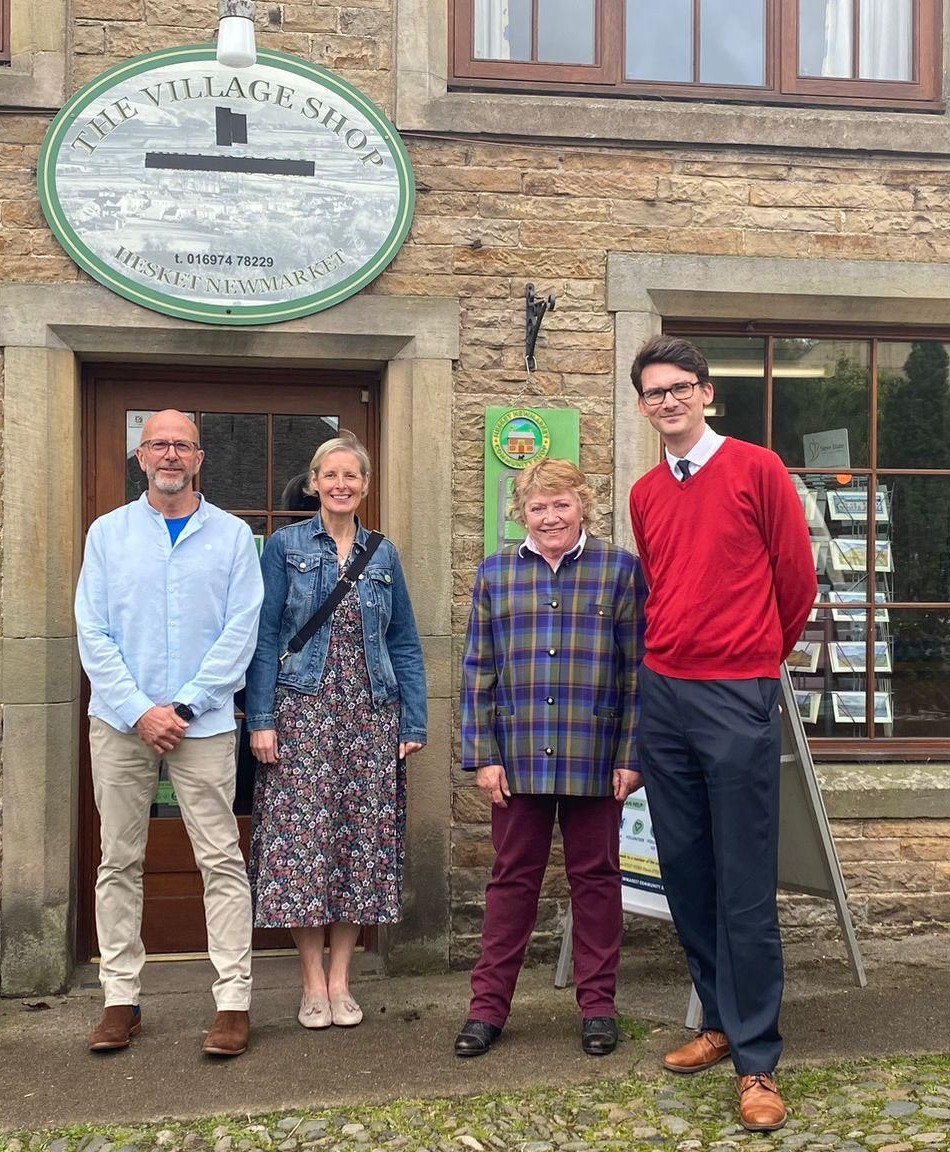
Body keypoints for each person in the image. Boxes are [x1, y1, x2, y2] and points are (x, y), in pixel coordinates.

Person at [626, 335, 817, 1132]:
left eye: (680, 388)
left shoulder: (757, 468)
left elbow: (796, 578)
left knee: (743, 883)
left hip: (735, 691)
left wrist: (752, 661)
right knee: (687, 873)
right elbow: (663, 586)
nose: (668, 401)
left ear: (706, 394)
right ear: (642, 405)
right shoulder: (644, 492)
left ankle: (758, 1060)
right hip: (665, 693)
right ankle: (715, 1021)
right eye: (653, 392)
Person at [76, 409, 264, 1059]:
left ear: (200, 458)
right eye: (159, 443)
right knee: (118, 860)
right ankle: (120, 999)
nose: (171, 455)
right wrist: (139, 709)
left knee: (221, 861)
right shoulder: (107, 535)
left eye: (182, 445)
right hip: (121, 725)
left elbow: (241, 631)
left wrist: (182, 706)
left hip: (204, 724)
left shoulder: (234, 537)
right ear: (140, 455)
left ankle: (234, 1002)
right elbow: (91, 632)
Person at [453, 458, 646, 1060]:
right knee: (512, 883)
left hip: (596, 757)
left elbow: (639, 672)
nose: (550, 517)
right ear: (522, 514)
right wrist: (483, 756)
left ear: (582, 504)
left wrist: (633, 755)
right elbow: (477, 672)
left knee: (596, 881)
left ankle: (598, 1007)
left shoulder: (620, 572)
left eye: (561, 504)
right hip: (518, 759)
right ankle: (487, 1010)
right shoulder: (494, 575)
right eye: (538, 507)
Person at [245, 435, 427, 1031]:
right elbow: (266, 636)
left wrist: (412, 718)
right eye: (330, 475)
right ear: (314, 482)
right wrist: (262, 718)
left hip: (371, 713)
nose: (341, 484)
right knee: (304, 848)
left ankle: (343, 980)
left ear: (365, 486)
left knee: (359, 846)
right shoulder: (285, 546)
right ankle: (311, 982)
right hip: (302, 712)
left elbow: (403, 641)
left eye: (352, 475)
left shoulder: (384, 554)